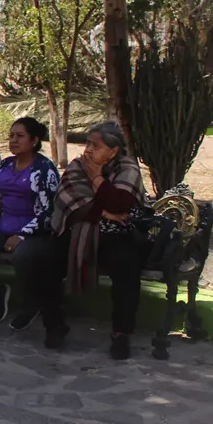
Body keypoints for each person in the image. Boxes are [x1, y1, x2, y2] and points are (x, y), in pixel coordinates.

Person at [48, 120, 148, 358]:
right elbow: (70, 202)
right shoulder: (77, 165)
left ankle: (121, 332)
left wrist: (96, 179)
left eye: (96, 146)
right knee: (44, 257)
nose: (89, 150)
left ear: (113, 151)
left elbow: (120, 203)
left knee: (127, 264)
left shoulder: (127, 168)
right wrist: (105, 212)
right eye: (88, 144)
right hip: (79, 231)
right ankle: (54, 323)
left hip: (117, 234)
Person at [0, 117, 62, 328]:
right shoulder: (5, 165)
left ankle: (31, 305)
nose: (14, 140)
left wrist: (22, 235)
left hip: (36, 231)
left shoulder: (44, 169)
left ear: (34, 140)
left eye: (20, 136)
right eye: (11, 136)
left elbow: (49, 211)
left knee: (22, 256)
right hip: (4, 226)